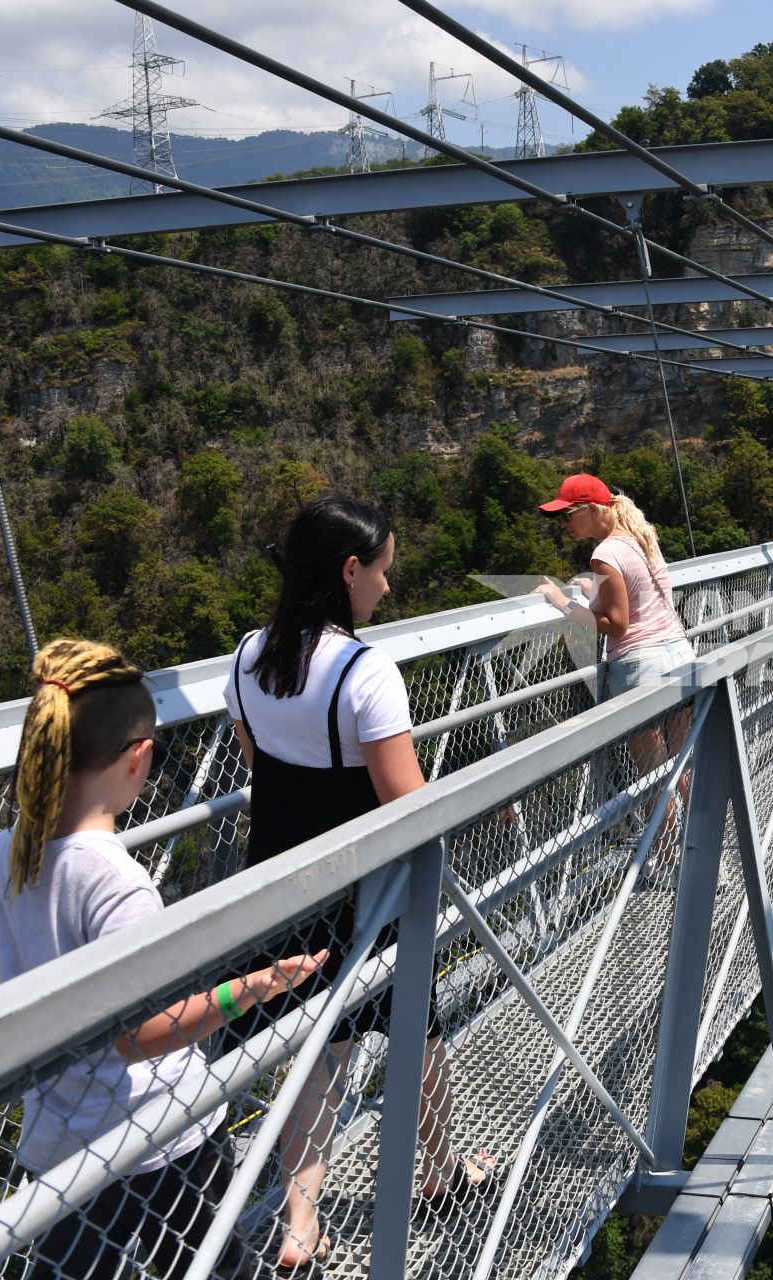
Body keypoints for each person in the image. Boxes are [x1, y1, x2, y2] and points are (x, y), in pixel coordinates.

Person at [0, 639, 326, 1280]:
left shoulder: (5, 853)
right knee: (208, 1265)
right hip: (163, 1134)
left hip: (61, 1144)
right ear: (138, 757)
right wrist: (248, 990)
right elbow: (142, 1034)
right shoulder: (116, 883)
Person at [227, 495, 486, 1269]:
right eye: (381, 572)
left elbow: (254, 761)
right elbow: (405, 806)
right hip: (365, 896)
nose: (386, 588)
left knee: (317, 1050)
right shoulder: (364, 671)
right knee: (416, 1030)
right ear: (349, 570)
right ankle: (440, 1169)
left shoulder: (248, 653)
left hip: (279, 883)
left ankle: (300, 1221)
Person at [533, 474, 695, 701]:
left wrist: (562, 602)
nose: (562, 524)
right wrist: (598, 591)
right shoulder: (643, 538)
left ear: (592, 510)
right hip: (679, 654)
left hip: (642, 664)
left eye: (566, 515)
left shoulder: (604, 554)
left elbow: (618, 626)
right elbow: (639, 596)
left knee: (644, 738)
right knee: (685, 737)